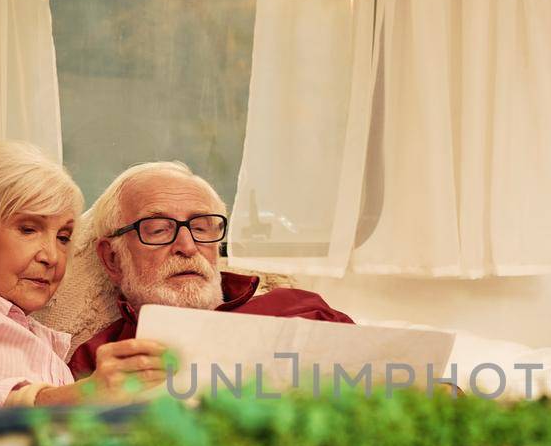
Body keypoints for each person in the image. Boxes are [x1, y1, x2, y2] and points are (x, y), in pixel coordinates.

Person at [69, 161, 353, 378]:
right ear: (113, 259)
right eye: (157, 230)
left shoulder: (302, 310)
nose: (187, 246)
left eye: (202, 228)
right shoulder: (101, 361)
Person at [0, 141, 161, 405]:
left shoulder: (41, 338)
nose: (52, 257)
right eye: (28, 229)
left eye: (64, 237)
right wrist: (81, 395)